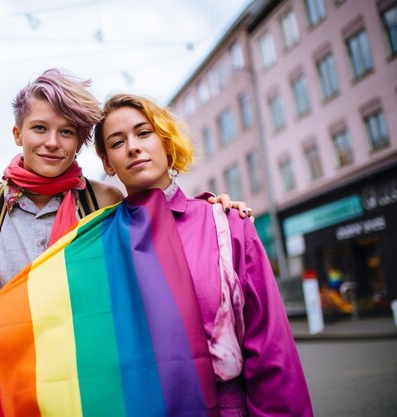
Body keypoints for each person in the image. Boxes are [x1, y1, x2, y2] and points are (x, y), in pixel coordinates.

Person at [92, 93, 313, 416]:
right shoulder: (100, 245)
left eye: (143, 133)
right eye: (117, 142)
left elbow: (269, 348)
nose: (133, 147)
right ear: (108, 163)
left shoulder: (228, 224)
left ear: (166, 142)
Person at [0, 68, 251, 293]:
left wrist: (214, 209)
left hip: (90, 368)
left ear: (79, 141)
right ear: (18, 134)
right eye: (40, 128)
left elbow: (163, 225)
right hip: (10, 368)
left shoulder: (104, 201)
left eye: (67, 132)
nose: (53, 142)